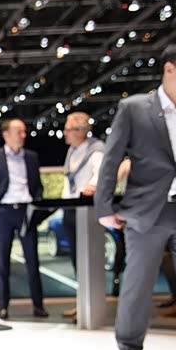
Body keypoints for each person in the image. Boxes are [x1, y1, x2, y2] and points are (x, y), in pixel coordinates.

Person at [95, 41, 176, 350]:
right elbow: (112, 159)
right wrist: (104, 206)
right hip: (145, 211)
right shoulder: (134, 108)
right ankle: (129, 348)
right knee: (138, 285)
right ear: (169, 68)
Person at [0, 118, 48, 320]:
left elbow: (37, 185)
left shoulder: (31, 157)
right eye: (19, 132)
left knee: (33, 261)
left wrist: (37, 202)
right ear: (6, 135)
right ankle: (3, 306)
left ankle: (38, 305)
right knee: (2, 263)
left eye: (24, 132)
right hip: (4, 212)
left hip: (26, 211)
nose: (23, 136)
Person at [61, 112, 105, 319]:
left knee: (87, 259)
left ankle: (90, 305)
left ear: (80, 131)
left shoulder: (96, 149)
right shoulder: (72, 151)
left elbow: (102, 172)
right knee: (76, 259)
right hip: (71, 208)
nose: (65, 133)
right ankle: (82, 303)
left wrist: (92, 186)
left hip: (86, 209)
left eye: (68, 129)